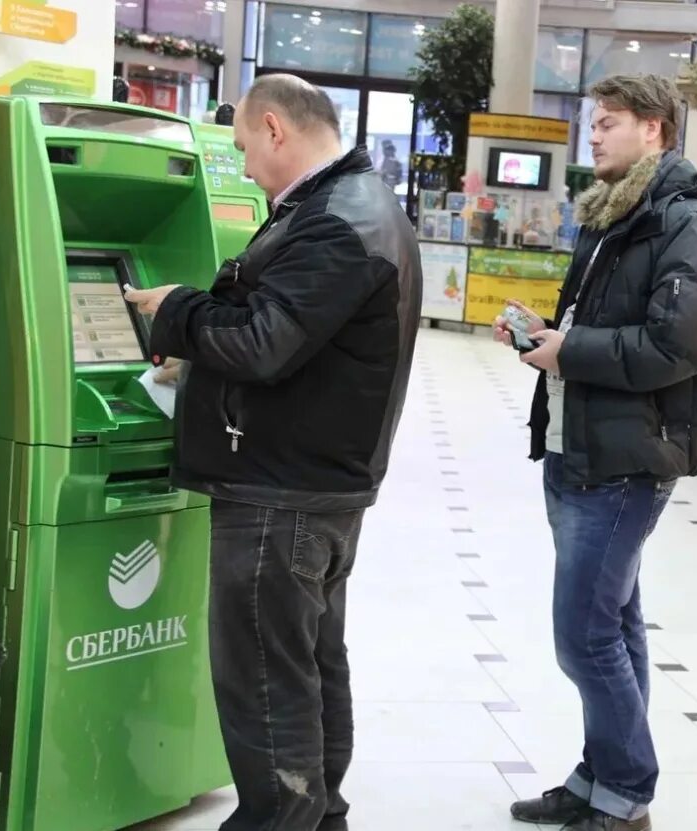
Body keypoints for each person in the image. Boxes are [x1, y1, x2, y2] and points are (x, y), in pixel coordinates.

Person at [124, 74, 422, 831]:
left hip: (280, 491)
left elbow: (262, 344)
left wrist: (177, 311)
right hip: (311, 480)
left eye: (244, 147)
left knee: (265, 680)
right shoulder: (353, 205)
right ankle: (320, 816)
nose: (246, 166)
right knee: (308, 666)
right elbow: (287, 327)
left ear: (273, 127)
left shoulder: (334, 221)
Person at [493, 74, 697, 831]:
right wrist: (549, 334)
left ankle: (626, 788)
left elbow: (678, 345)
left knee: (584, 633)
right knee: (614, 622)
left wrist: (573, 352)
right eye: (590, 123)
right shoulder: (615, 211)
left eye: (607, 123)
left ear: (655, 131)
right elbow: (603, 323)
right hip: (582, 443)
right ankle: (600, 775)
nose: (591, 135)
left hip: (629, 458)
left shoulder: (688, 220)